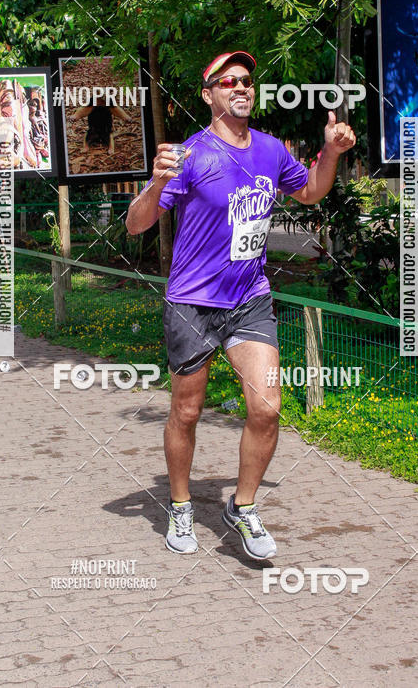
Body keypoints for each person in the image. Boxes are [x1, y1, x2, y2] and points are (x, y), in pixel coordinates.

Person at [126, 51, 356, 560]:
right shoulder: (190, 155)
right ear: (209, 95)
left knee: (267, 407)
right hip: (192, 302)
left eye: (247, 80)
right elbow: (135, 224)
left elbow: (312, 191)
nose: (241, 87)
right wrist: (158, 181)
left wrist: (330, 152)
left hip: (249, 299)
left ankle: (243, 506)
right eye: (228, 81)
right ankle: (182, 504)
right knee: (187, 410)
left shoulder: (271, 150)